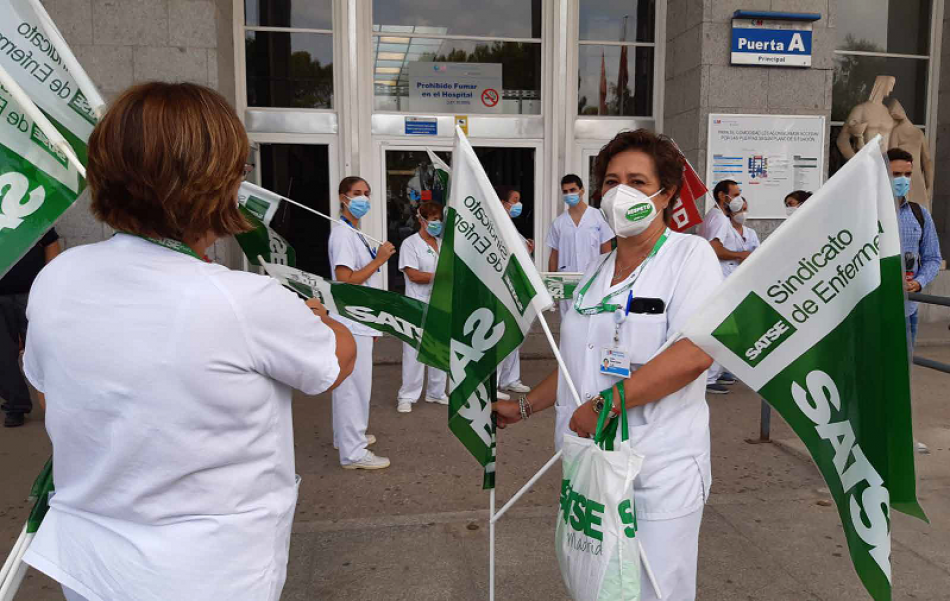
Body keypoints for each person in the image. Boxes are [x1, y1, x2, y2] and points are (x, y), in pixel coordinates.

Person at [20, 82, 356, 601]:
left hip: (88, 565)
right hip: (208, 574)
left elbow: (47, 394)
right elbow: (333, 365)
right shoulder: (243, 300)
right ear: (215, 184)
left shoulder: (59, 275)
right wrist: (323, 318)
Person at [494, 129, 722, 601]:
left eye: (638, 181)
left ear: (667, 194)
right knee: (598, 586)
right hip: (592, 467)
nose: (622, 192)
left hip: (658, 467)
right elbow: (579, 361)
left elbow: (696, 352)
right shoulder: (597, 272)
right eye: (612, 180)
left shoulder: (689, 256)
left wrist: (606, 403)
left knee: (655, 589)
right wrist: (526, 407)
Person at [329, 176, 397, 469]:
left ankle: (345, 437)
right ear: (343, 198)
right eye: (357, 193)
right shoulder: (343, 235)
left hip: (361, 318)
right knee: (354, 387)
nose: (363, 199)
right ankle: (353, 453)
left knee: (350, 385)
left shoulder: (354, 233)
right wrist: (380, 259)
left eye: (367, 193)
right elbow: (345, 280)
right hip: (350, 318)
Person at [887, 147, 942, 454]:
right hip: (873, 308)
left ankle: (901, 437)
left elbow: (933, 257)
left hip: (907, 310)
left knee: (902, 376)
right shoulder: (867, 213)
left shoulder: (919, 213)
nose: (903, 180)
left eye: (907, 174)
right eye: (897, 174)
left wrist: (918, 280)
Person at [0, 229, 60, 427]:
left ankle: (56, 404)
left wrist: (50, 280)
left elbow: (51, 242)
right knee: (3, 356)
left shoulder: (25, 208)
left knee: (44, 350)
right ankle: (16, 405)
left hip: (33, 292)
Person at [396, 201, 448, 413]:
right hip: (416, 304)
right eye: (433, 220)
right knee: (414, 351)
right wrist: (441, 277)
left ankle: (436, 392)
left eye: (439, 220)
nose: (436, 224)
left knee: (439, 348)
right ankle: (407, 396)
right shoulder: (410, 244)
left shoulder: (442, 243)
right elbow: (413, 275)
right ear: (421, 220)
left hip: (441, 304)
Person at [700, 179, 747, 394]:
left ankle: (719, 371)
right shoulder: (718, 218)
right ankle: (709, 377)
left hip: (722, 277)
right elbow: (714, 248)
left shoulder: (716, 216)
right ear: (722, 196)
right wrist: (740, 255)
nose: (738, 199)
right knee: (721, 327)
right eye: (735, 194)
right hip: (721, 276)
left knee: (725, 328)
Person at [546, 174, 614, 315]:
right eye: (565, 191)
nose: (569, 194)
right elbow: (554, 255)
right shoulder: (559, 222)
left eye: (572, 190)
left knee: (591, 319)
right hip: (567, 280)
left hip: (593, 278)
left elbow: (607, 250)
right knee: (567, 322)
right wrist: (552, 284)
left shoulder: (597, 217)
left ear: (582, 191)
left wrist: (606, 279)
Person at [496, 186, 532, 394]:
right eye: (515, 200)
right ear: (503, 203)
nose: (518, 205)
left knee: (515, 333)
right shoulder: (497, 226)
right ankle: (495, 381)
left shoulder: (511, 227)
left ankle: (511, 378)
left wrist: (527, 250)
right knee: (501, 334)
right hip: (503, 288)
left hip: (516, 289)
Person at [705, 197, 759, 279]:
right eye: (739, 210)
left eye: (744, 209)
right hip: (724, 276)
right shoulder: (723, 229)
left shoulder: (751, 233)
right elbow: (716, 250)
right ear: (730, 212)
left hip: (745, 277)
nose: (742, 213)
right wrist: (740, 255)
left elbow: (759, 254)